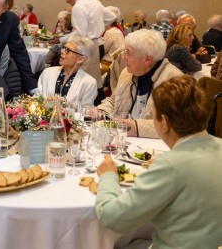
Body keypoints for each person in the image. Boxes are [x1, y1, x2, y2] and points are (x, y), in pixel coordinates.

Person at [95, 75, 222, 249]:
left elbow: (111, 217)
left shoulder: (171, 165)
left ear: (165, 122)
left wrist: (109, 176)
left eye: (153, 115)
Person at [97, 29, 182, 138]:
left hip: (153, 147)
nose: (123, 57)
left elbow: (173, 125)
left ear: (147, 58)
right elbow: (114, 101)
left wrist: (135, 126)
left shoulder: (174, 81)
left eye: (128, 53)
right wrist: (100, 110)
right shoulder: (127, 73)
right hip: (123, 140)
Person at [62, 0, 116, 104]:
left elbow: (79, 33)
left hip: (87, 47)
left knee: (84, 79)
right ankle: (98, 106)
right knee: (95, 80)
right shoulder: (95, 2)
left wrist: (61, 40)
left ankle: (86, 107)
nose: (66, 1)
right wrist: (97, 28)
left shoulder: (78, 6)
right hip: (99, 44)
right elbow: (112, 17)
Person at [38, 34, 97, 106]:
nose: (62, 51)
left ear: (80, 59)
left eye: (67, 50)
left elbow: (86, 111)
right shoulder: (47, 73)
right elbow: (37, 101)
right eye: (63, 47)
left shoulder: (89, 83)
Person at [101, 6, 124, 74]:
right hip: (114, 63)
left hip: (109, 65)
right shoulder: (116, 30)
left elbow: (101, 51)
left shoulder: (111, 32)